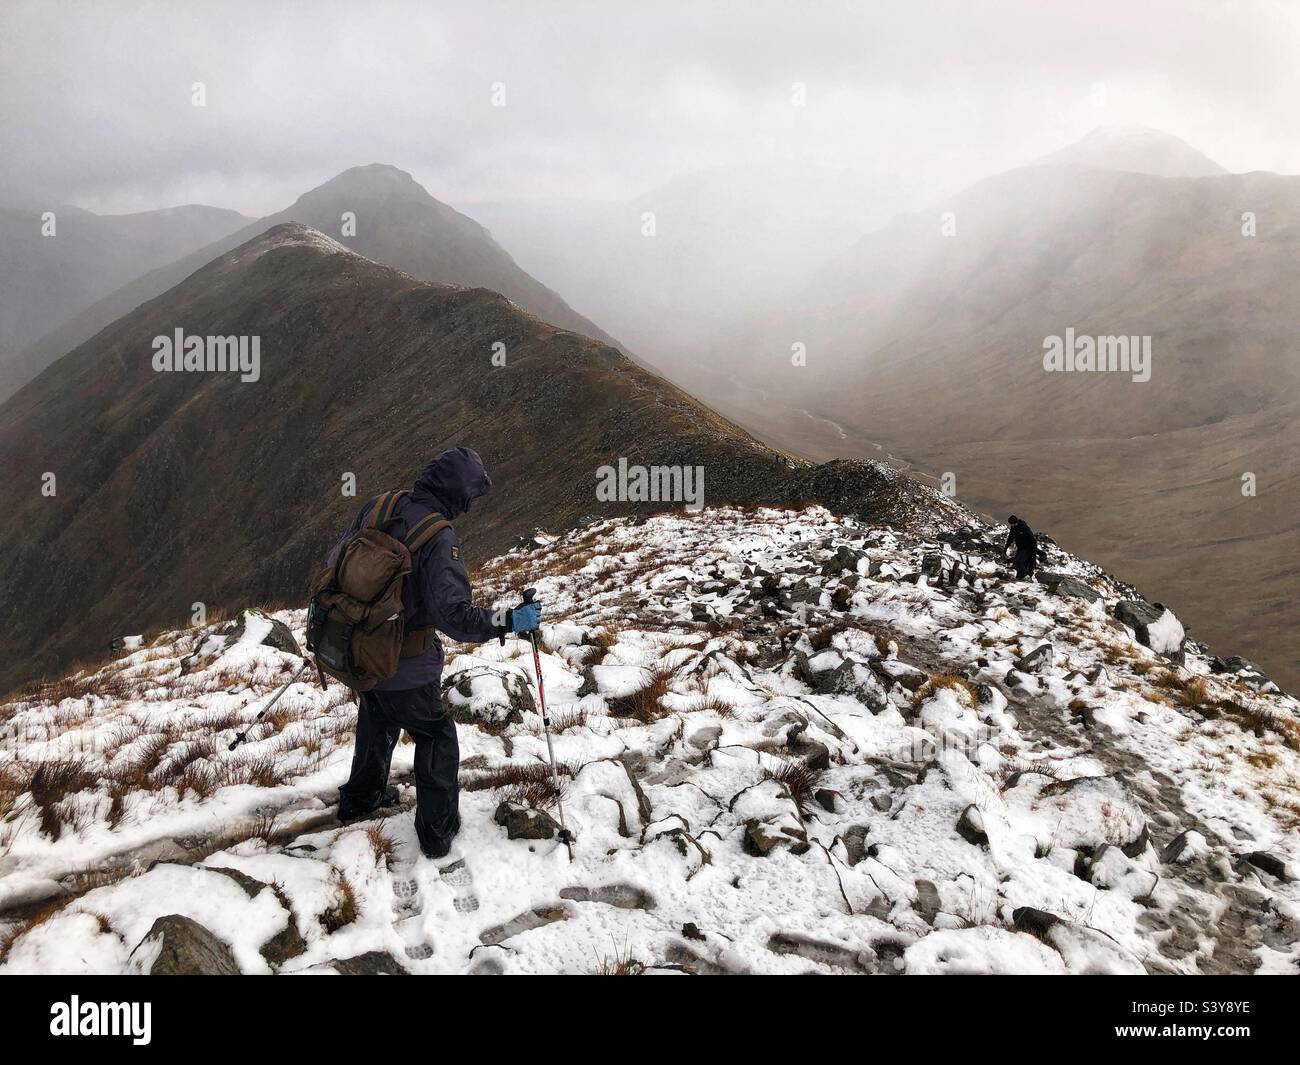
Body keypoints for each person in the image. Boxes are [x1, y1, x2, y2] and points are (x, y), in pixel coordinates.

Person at [327, 447, 542, 858]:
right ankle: (437, 832)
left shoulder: (380, 504)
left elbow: (336, 562)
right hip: (404, 662)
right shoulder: (438, 536)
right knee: (435, 733)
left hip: (358, 651)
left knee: (377, 714)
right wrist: (511, 621)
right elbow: (456, 618)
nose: (471, 504)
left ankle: (360, 799)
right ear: (459, 493)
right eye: (472, 495)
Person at [1004, 515, 1038, 581]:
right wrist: (1006, 547)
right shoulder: (1013, 527)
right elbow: (1010, 537)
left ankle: (1026, 576)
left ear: (1016, 522)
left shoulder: (1024, 528)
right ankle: (1020, 577)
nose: (1012, 525)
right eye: (1011, 524)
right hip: (1020, 548)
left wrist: (1033, 550)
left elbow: (1032, 539)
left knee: (1021, 562)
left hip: (1028, 548)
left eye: (1012, 524)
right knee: (1016, 562)